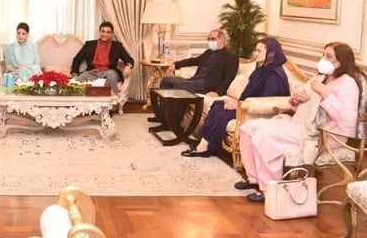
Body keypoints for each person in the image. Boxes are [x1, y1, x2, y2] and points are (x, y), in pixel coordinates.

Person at [235, 42, 361, 203]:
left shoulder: (347, 84)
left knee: (264, 135)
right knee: (248, 128)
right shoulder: (319, 78)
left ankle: (269, 188)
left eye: (329, 57)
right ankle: (253, 178)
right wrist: (296, 100)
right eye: (323, 55)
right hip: (297, 124)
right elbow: (297, 105)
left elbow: (347, 121)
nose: (324, 59)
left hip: (322, 134)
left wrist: (326, 95)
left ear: (342, 61)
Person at [181, 37, 290, 158]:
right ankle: (206, 144)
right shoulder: (262, 69)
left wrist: (237, 105)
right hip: (246, 106)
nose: (255, 53)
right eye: (255, 50)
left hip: (255, 112)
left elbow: (263, 101)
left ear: (271, 53)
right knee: (218, 105)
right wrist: (235, 102)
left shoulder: (274, 75)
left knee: (221, 111)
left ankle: (204, 147)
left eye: (259, 51)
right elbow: (249, 93)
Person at [149, 28, 239, 123]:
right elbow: (193, 61)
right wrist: (175, 64)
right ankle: (162, 115)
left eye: (212, 39)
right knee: (167, 80)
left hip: (206, 85)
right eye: (208, 39)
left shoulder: (230, 57)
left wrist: (217, 92)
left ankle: (174, 121)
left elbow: (228, 78)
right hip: (195, 81)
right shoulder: (208, 52)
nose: (209, 42)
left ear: (222, 40)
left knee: (179, 86)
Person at [70, 21, 134, 95]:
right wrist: (75, 73)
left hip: (109, 71)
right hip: (92, 72)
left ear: (111, 34)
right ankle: (81, 104)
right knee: (79, 81)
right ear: (99, 32)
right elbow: (77, 59)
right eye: (103, 31)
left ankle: (112, 102)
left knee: (112, 75)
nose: (105, 34)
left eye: (108, 32)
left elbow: (129, 59)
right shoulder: (89, 45)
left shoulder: (117, 46)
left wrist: (128, 66)